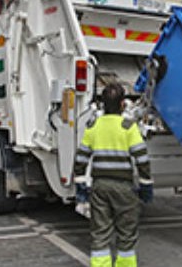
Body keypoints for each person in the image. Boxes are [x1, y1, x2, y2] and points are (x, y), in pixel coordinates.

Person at [74, 84, 153, 267]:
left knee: (100, 233)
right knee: (126, 233)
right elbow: (142, 160)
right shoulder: (128, 127)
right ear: (122, 104)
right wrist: (146, 185)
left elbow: (81, 159)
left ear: (102, 104)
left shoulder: (93, 126)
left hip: (100, 186)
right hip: (124, 187)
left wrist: (81, 187)